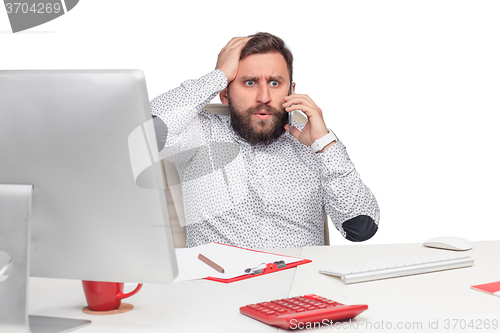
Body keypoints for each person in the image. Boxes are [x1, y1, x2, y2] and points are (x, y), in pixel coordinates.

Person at [150, 32, 379, 248]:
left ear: (292, 90)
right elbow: (144, 129)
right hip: (222, 286)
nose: (264, 97)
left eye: (274, 83)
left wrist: (325, 145)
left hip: (299, 285)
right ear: (224, 93)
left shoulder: (319, 146)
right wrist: (217, 76)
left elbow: (360, 229)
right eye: (249, 82)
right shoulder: (197, 134)